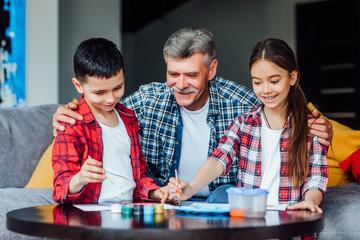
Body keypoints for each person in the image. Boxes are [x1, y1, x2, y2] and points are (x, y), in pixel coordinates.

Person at [52, 28, 333, 203]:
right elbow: (103, 105)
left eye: (192, 75)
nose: (181, 83)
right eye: (173, 74)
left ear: (211, 71)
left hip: (223, 202)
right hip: (169, 200)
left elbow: (282, 103)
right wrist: (70, 109)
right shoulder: (147, 101)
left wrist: (321, 124)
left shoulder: (241, 102)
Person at [167, 38, 328, 218]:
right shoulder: (244, 123)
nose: (265, 90)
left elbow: (316, 177)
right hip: (250, 225)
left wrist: (310, 201)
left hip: (291, 226)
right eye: (257, 82)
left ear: (292, 78)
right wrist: (190, 187)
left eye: (274, 81)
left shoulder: (311, 128)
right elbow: (219, 159)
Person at [52, 38, 169, 204]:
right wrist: (79, 179)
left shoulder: (128, 118)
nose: (111, 99)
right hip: (91, 215)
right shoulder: (71, 123)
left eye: (118, 88)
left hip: (129, 212)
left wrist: (155, 193)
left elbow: (138, 176)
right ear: (78, 85)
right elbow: (60, 190)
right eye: (99, 93)